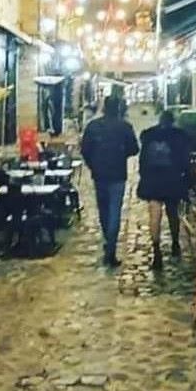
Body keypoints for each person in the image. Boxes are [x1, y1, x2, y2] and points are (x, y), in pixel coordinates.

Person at [81, 95, 139, 266]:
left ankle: (109, 241)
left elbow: (85, 150)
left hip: (99, 173)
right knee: (115, 211)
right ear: (119, 108)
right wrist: (121, 153)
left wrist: (93, 164)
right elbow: (134, 149)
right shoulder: (124, 127)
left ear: (104, 108)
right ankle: (111, 249)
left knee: (103, 210)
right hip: (117, 173)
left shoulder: (93, 126)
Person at [137, 110, 192, 269]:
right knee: (173, 213)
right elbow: (184, 161)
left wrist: (144, 177)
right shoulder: (179, 136)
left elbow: (142, 160)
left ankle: (156, 250)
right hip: (172, 179)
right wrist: (187, 180)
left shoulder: (149, 135)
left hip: (152, 181)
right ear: (172, 121)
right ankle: (175, 243)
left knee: (154, 216)